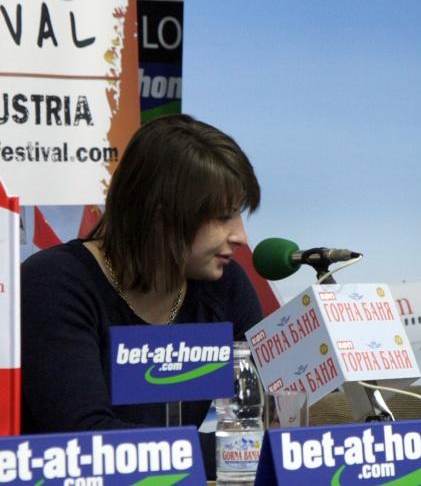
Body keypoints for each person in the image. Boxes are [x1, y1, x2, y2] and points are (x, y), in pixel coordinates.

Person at [20, 114, 262, 456]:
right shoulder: (54, 283)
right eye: (223, 217)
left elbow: (272, 409)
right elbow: (85, 440)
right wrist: (240, 450)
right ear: (161, 215)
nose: (240, 236)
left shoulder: (226, 286)